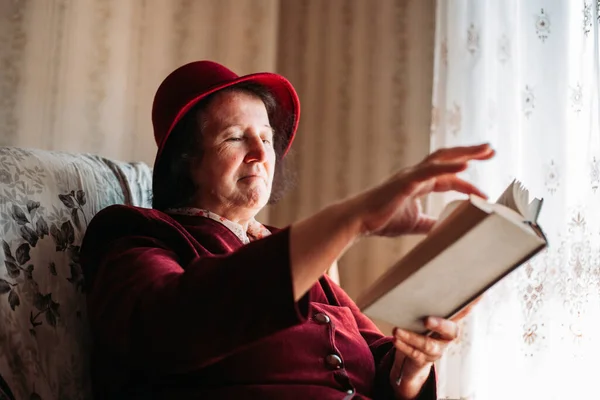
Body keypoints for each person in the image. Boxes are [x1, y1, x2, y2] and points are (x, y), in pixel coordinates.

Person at [80, 60, 494, 400]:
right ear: (186, 161)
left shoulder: (288, 247)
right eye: (236, 138)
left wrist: (412, 367)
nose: (262, 153)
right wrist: (354, 217)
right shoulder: (136, 235)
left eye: (266, 137)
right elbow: (170, 328)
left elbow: (377, 357)